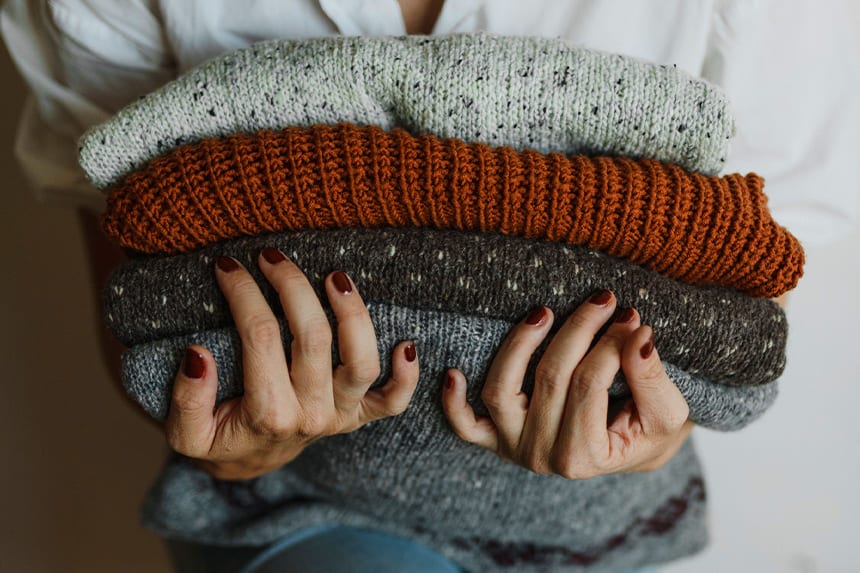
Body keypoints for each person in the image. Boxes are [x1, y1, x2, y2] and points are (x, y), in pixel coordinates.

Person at [2, 1, 858, 571]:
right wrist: (244, 443)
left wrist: (661, 430)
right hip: (288, 508)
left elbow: (753, 280)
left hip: (605, 524)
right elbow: (132, 285)